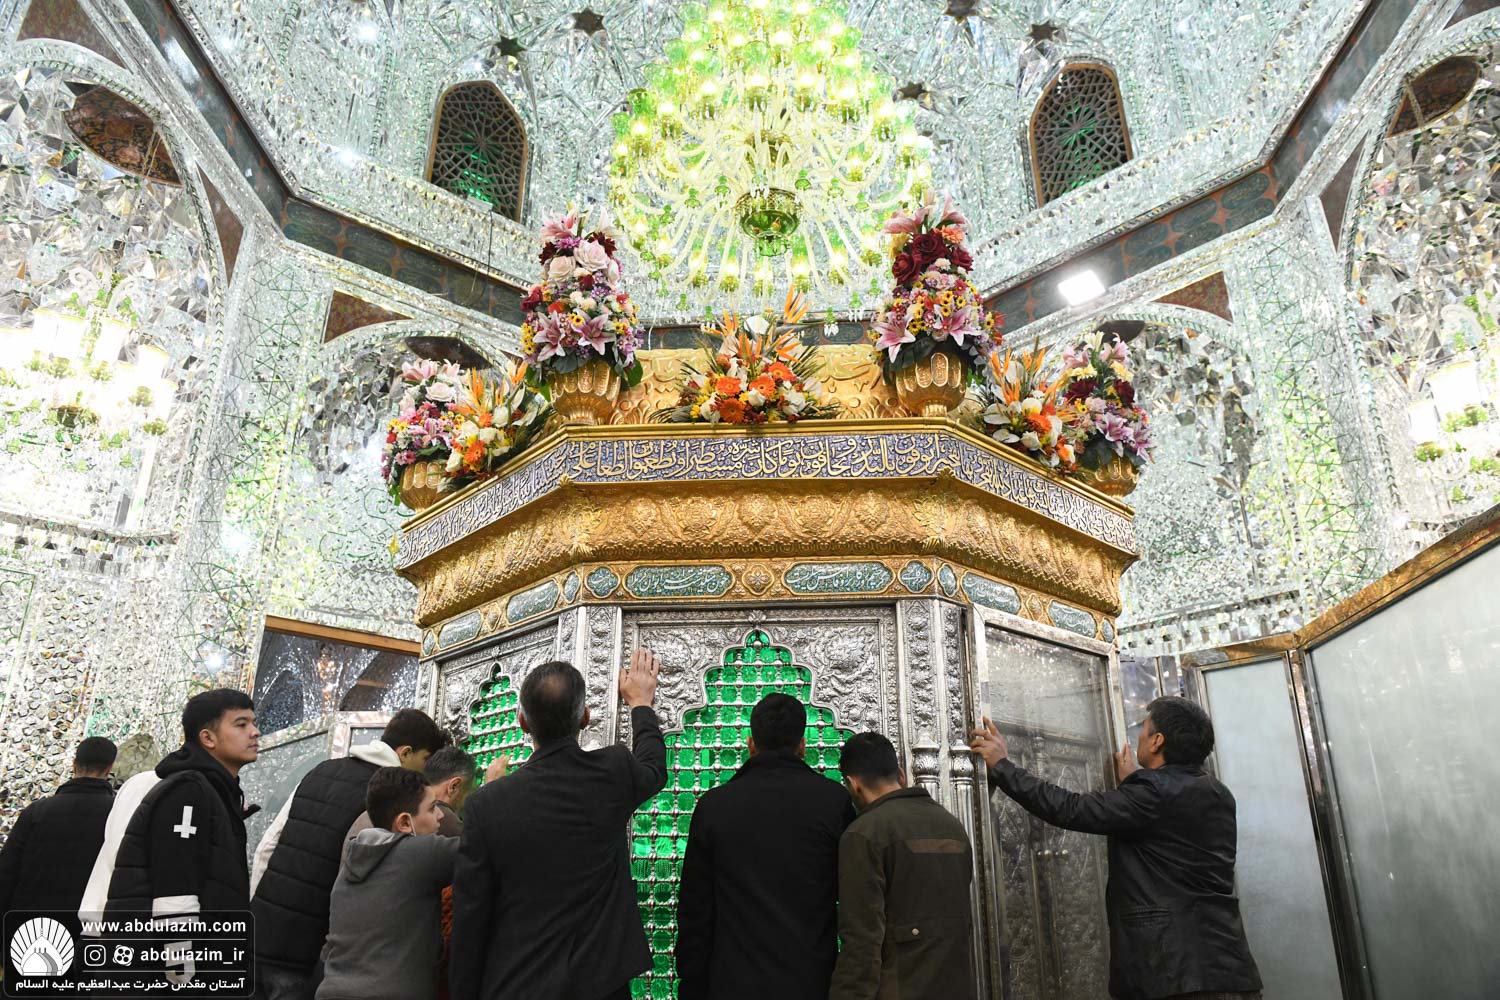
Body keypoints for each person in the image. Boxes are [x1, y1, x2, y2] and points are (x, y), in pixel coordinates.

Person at [969, 696, 1263, 1000]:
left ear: (1157, 741)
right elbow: (1168, 832)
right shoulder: (1219, 793)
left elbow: (1070, 808)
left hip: (1174, 974)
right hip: (1230, 967)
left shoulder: (1152, 794)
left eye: (1144, 728)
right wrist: (1136, 783)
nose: (1138, 738)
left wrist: (1002, 766)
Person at [451, 651, 667, 1000]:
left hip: (517, 984)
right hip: (599, 986)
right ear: (585, 717)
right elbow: (654, 768)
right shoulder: (612, 773)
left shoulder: (486, 804)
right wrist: (641, 704)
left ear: (522, 722)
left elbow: (471, 918)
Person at [251, 708, 448, 1000]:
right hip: (307, 953)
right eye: (425, 760)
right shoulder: (384, 799)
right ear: (405, 753)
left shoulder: (321, 770)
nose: (424, 773)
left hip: (259, 935)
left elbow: (267, 846)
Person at [675, 693, 855, 1000]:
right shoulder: (834, 802)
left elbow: (695, 910)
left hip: (732, 983)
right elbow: (854, 902)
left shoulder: (715, 806)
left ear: (751, 745)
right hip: (811, 982)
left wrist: (692, 984)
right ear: (802, 745)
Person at [104, 688, 259, 985]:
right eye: (241, 724)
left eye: (253, 723)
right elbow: (175, 886)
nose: (254, 732)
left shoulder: (213, 789)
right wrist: (180, 971)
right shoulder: (188, 791)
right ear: (208, 738)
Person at [829, 732, 974, 1000]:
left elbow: (862, 942)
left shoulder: (864, 833)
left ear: (853, 785)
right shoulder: (953, 826)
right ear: (901, 775)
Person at [316, 767, 459, 1000]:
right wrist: (493, 787)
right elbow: (483, 848)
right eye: (432, 808)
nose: (441, 815)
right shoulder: (418, 853)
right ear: (404, 822)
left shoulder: (352, 861)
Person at [0, 736, 116, 923]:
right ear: (110, 768)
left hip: (31, 923)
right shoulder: (117, 814)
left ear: (74, 765)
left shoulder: (36, 812)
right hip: (86, 925)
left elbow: (7, 872)